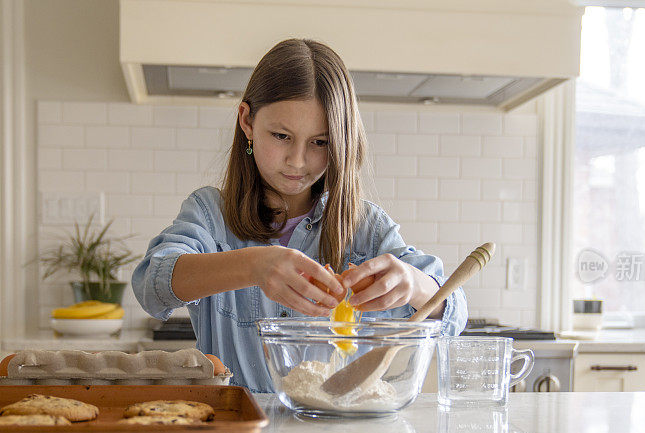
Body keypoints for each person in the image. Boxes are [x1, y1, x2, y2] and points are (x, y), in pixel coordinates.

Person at [132, 39, 468, 393]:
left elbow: (454, 315)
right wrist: (254, 266)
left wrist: (414, 284)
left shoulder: (367, 228)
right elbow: (151, 285)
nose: (297, 161)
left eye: (319, 143)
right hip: (239, 432)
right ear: (247, 122)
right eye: (281, 136)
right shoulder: (210, 214)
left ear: (340, 142)